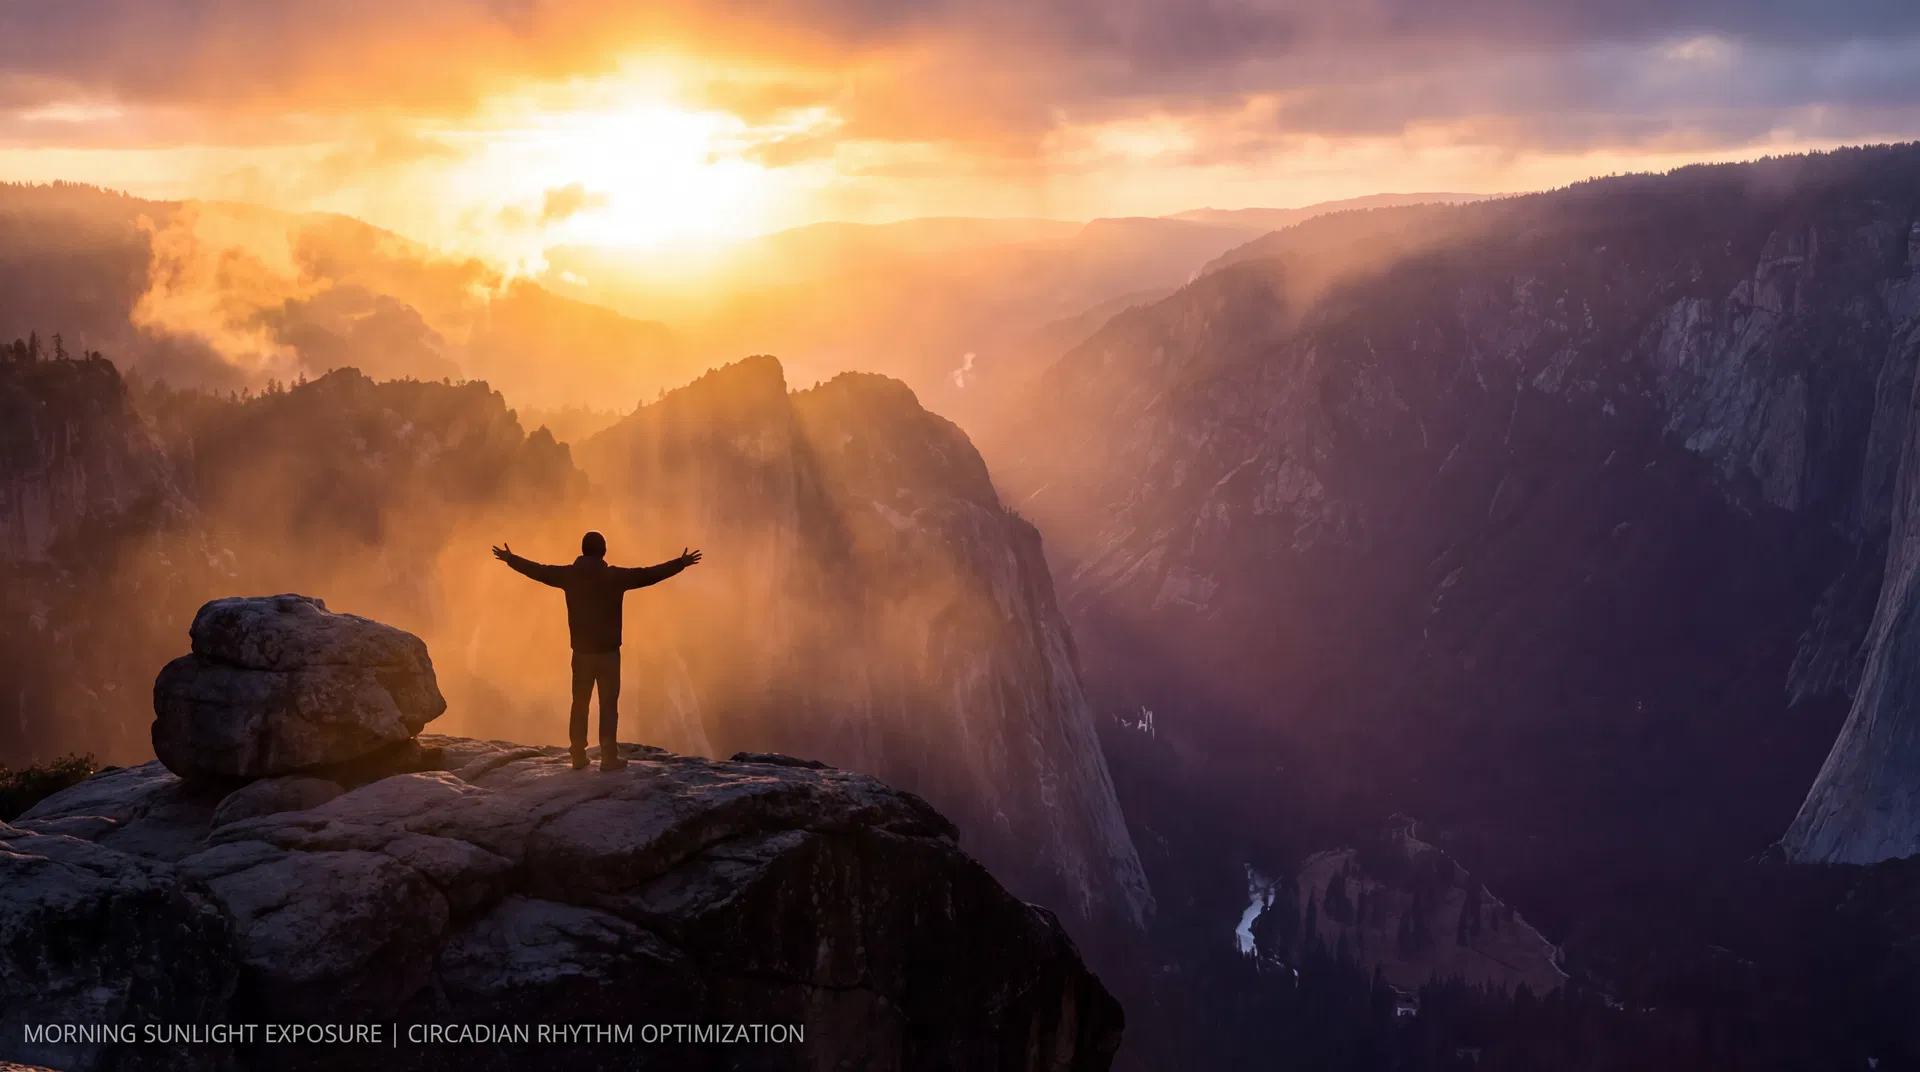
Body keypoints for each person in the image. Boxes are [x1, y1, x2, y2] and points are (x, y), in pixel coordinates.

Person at [492, 531, 702, 771]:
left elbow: (538, 570)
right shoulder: (614, 576)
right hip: (608, 655)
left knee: (579, 703)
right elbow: (649, 575)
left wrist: (511, 559)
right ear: (603, 551)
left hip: (581, 654)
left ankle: (578, 755)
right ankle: (608, 758)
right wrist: (681, 563)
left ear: (583, 550)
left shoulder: (569, 575)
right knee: (608, 706)